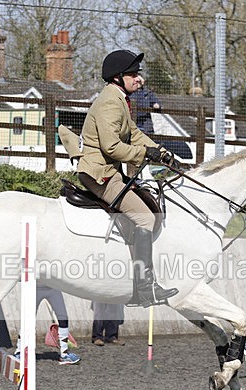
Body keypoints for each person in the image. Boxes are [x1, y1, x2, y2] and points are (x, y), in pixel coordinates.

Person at [77, 49, 178, 308]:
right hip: (100, 175)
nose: (139, 79)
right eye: (133, 74)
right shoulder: (110, 103)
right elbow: (111, 147)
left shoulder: (119, 99)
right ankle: (145, 289)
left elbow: (134, 134)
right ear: (117, 77)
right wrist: (145, 154)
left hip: (110, 172)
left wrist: (162, 153)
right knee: (145, 218)